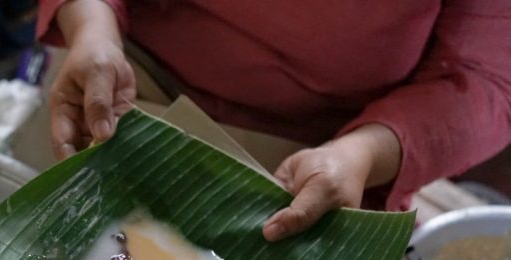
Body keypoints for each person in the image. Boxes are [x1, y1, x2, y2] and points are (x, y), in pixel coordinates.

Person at [35, 0, 511, 241]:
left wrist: (364, 152)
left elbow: (484, 79)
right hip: (122, 81)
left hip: (321, 161)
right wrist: (90, 25)